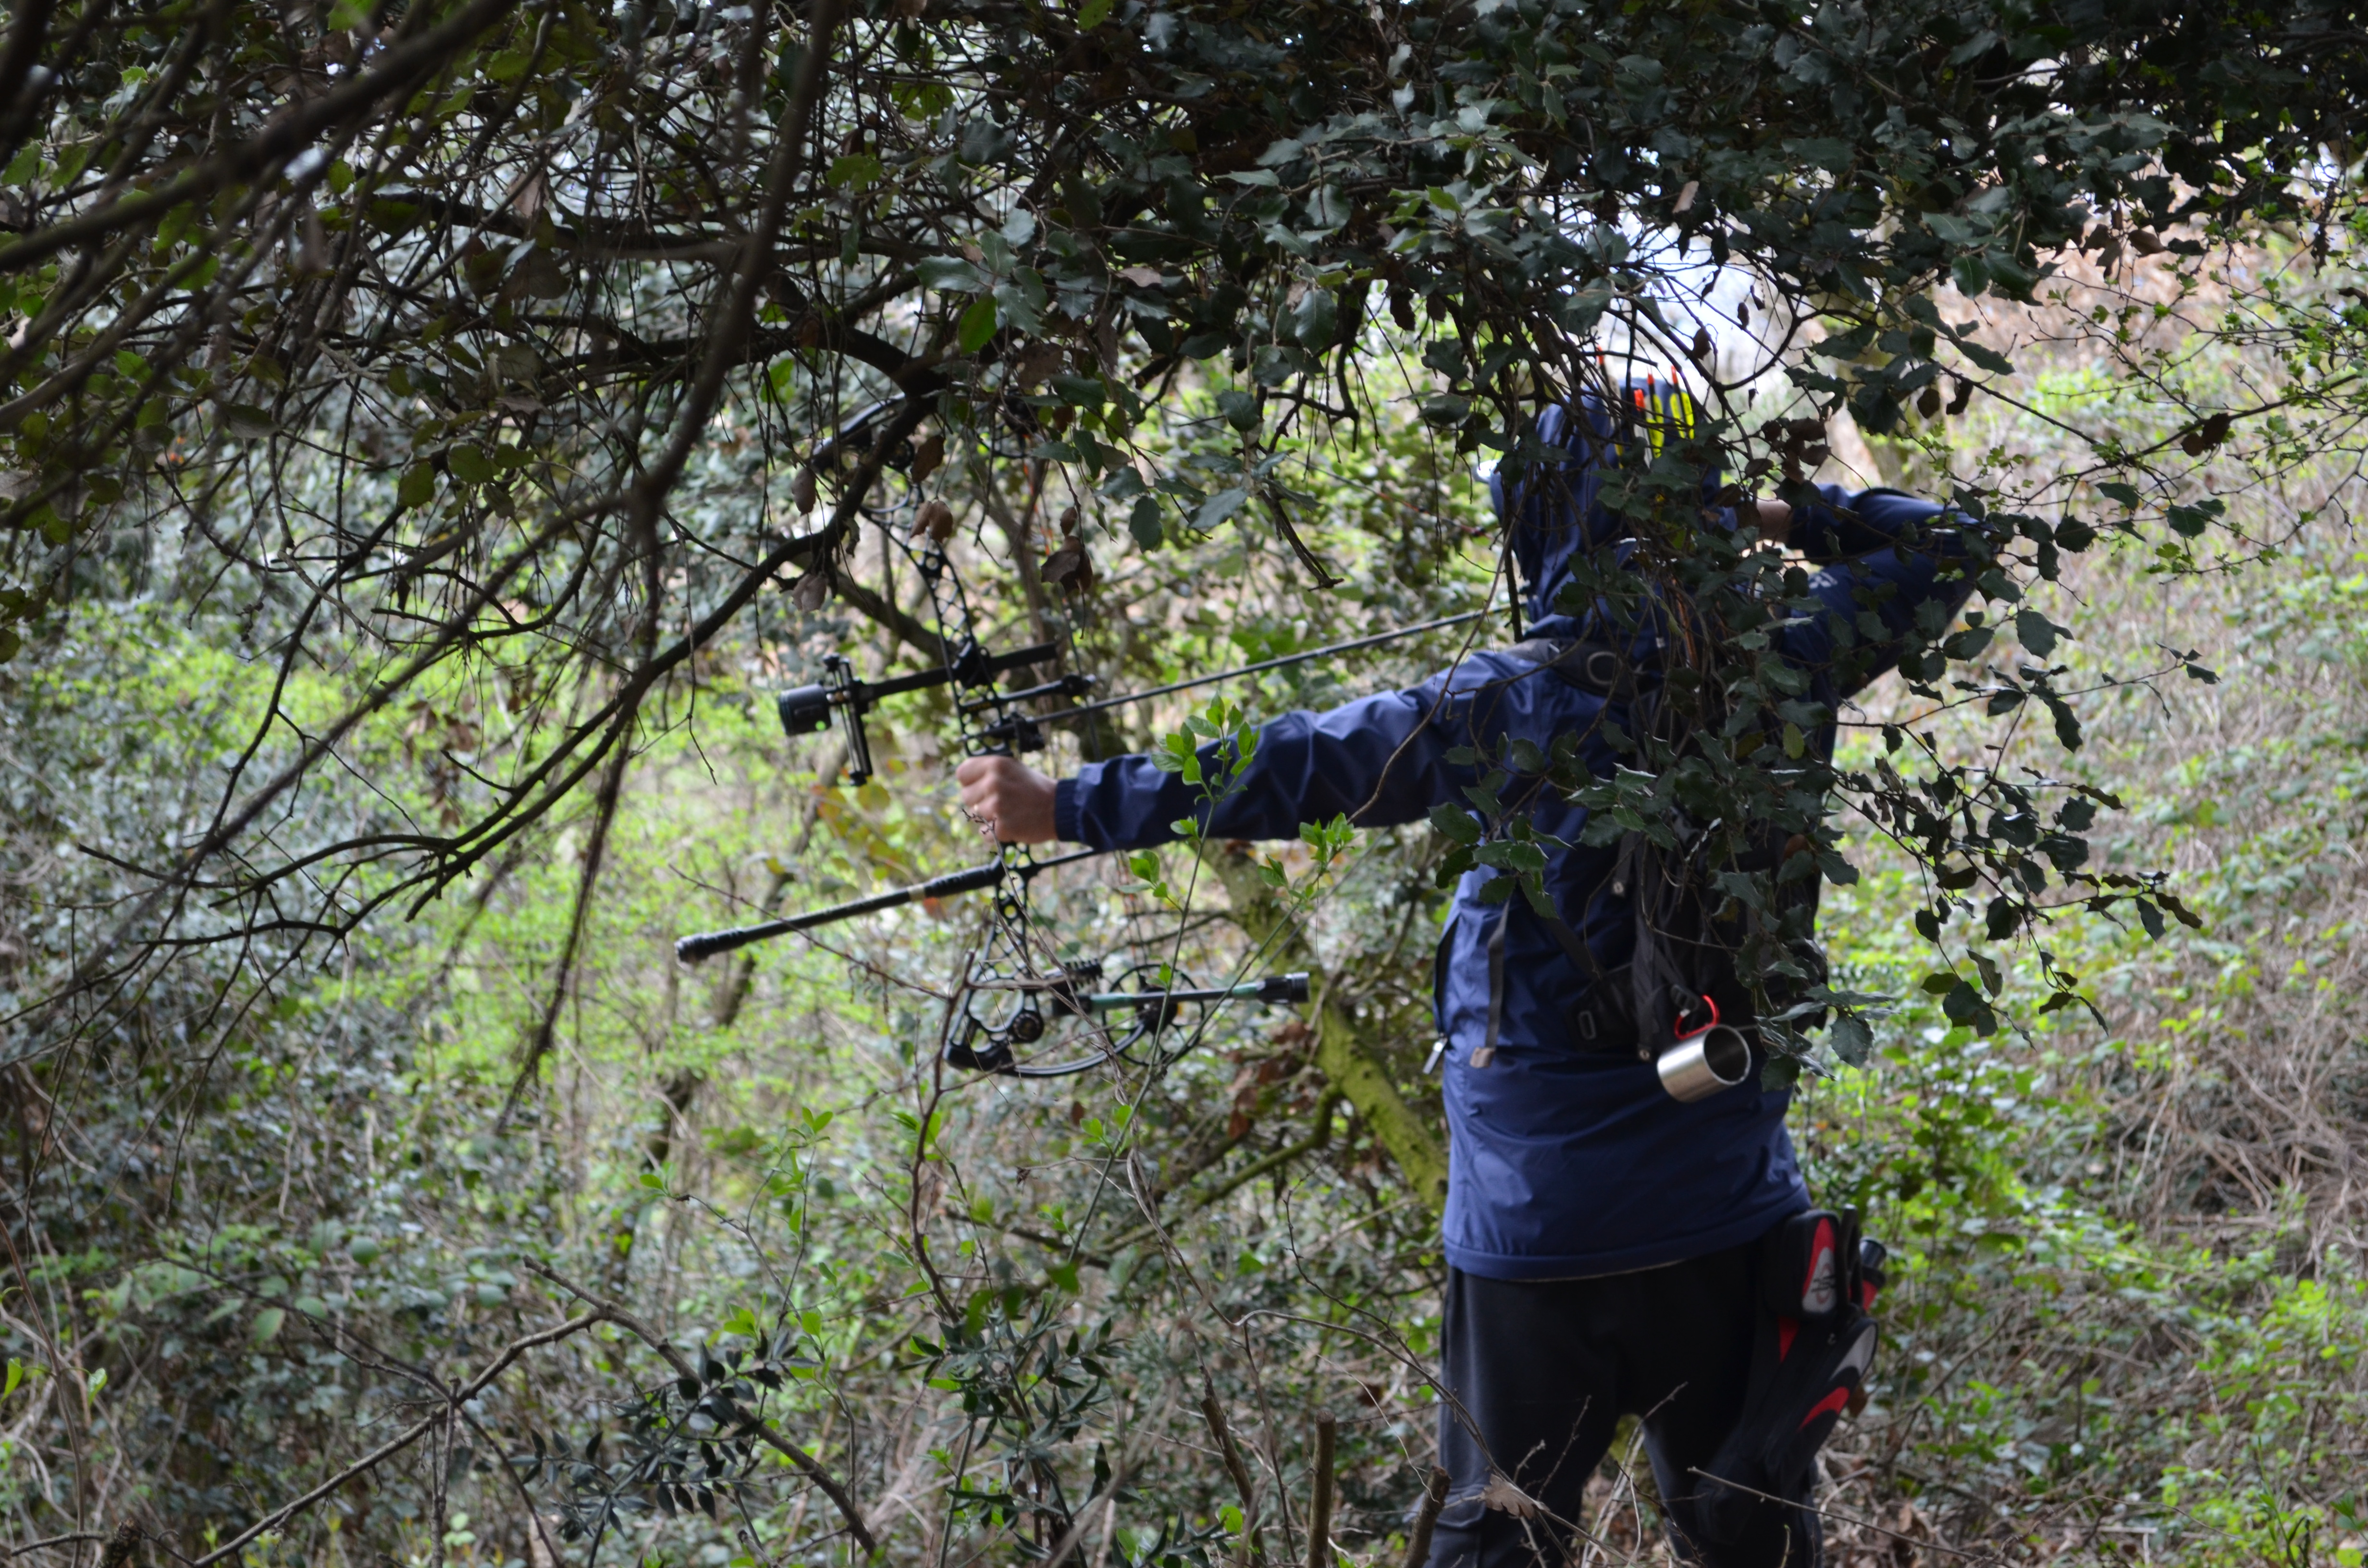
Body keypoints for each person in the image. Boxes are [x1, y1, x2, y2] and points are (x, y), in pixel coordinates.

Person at [954, 388, 1986, 1568]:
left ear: (1542, 526)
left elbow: (1304, 766)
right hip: (1729, 1205)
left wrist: (1070, 806)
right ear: (1690, 515)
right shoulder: (1786, 665)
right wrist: (1768, 513)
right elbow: (1949, 544)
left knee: (1498, 1535)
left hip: (1539, 1229)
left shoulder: (1512, 700)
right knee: (1748, 1523)